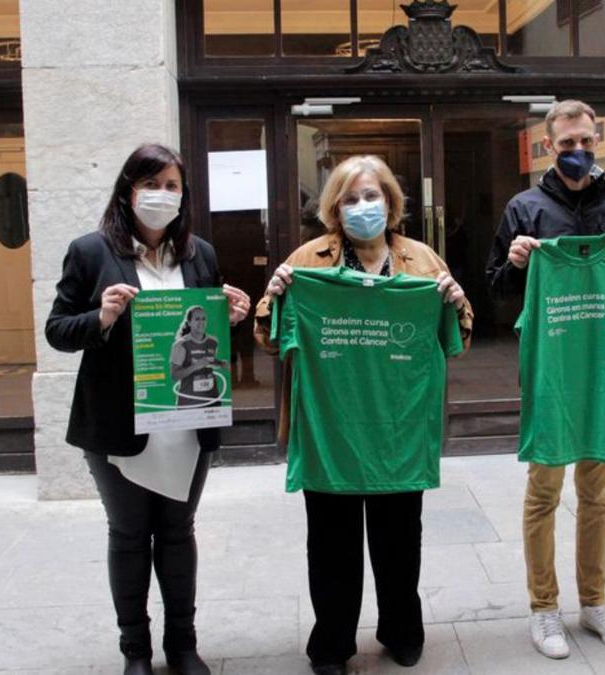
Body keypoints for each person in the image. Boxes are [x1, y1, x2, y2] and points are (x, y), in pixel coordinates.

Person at [254, 155, 472, 675]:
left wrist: (457, 302)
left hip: (399, 426)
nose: (362, 207)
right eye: (350, 198)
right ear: (334, 207)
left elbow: (456, 340)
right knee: (332, 546)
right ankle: (331, 643)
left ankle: (402, 630)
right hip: (332, 427)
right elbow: (271, 339)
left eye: (371, 196)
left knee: (400, 540)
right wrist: (275, 296)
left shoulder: (422, 260)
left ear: (391, 203)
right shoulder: (308, 261)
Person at [45, 143, 250, 675]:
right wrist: (102, 316)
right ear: (128, 190)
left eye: (172, 186)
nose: (162, 195)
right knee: (130, 535)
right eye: (151, 184)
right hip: (118, 422)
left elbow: (203, 331)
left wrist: (231, 317)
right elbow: (57, 331)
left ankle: (183, 645)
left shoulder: (199, 254)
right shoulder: (90, 252)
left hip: (185, 420)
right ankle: (135, 650)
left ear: (184, 196)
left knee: (179, 533)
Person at [485, 100, 605, 659]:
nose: (577, 152)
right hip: (554, 367)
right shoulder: (524, 208)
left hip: (602, 367)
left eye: (585, 141)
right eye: (566, 144)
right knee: (544, 491)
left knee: (596, 494)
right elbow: (497, 290)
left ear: (597, 140)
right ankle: (544, 609)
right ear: (547, 145)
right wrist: (513, 262)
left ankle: (594, 602)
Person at [169, 305, 225, 408]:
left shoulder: (213, 341)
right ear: (189, 322)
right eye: (197, 319)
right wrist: (195, 366)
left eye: (204, 319)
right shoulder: (180, 345)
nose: (201, 322)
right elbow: (175, 375)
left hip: (212, 400)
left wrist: (220, 363)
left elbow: (209, 362)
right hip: (190, 403)